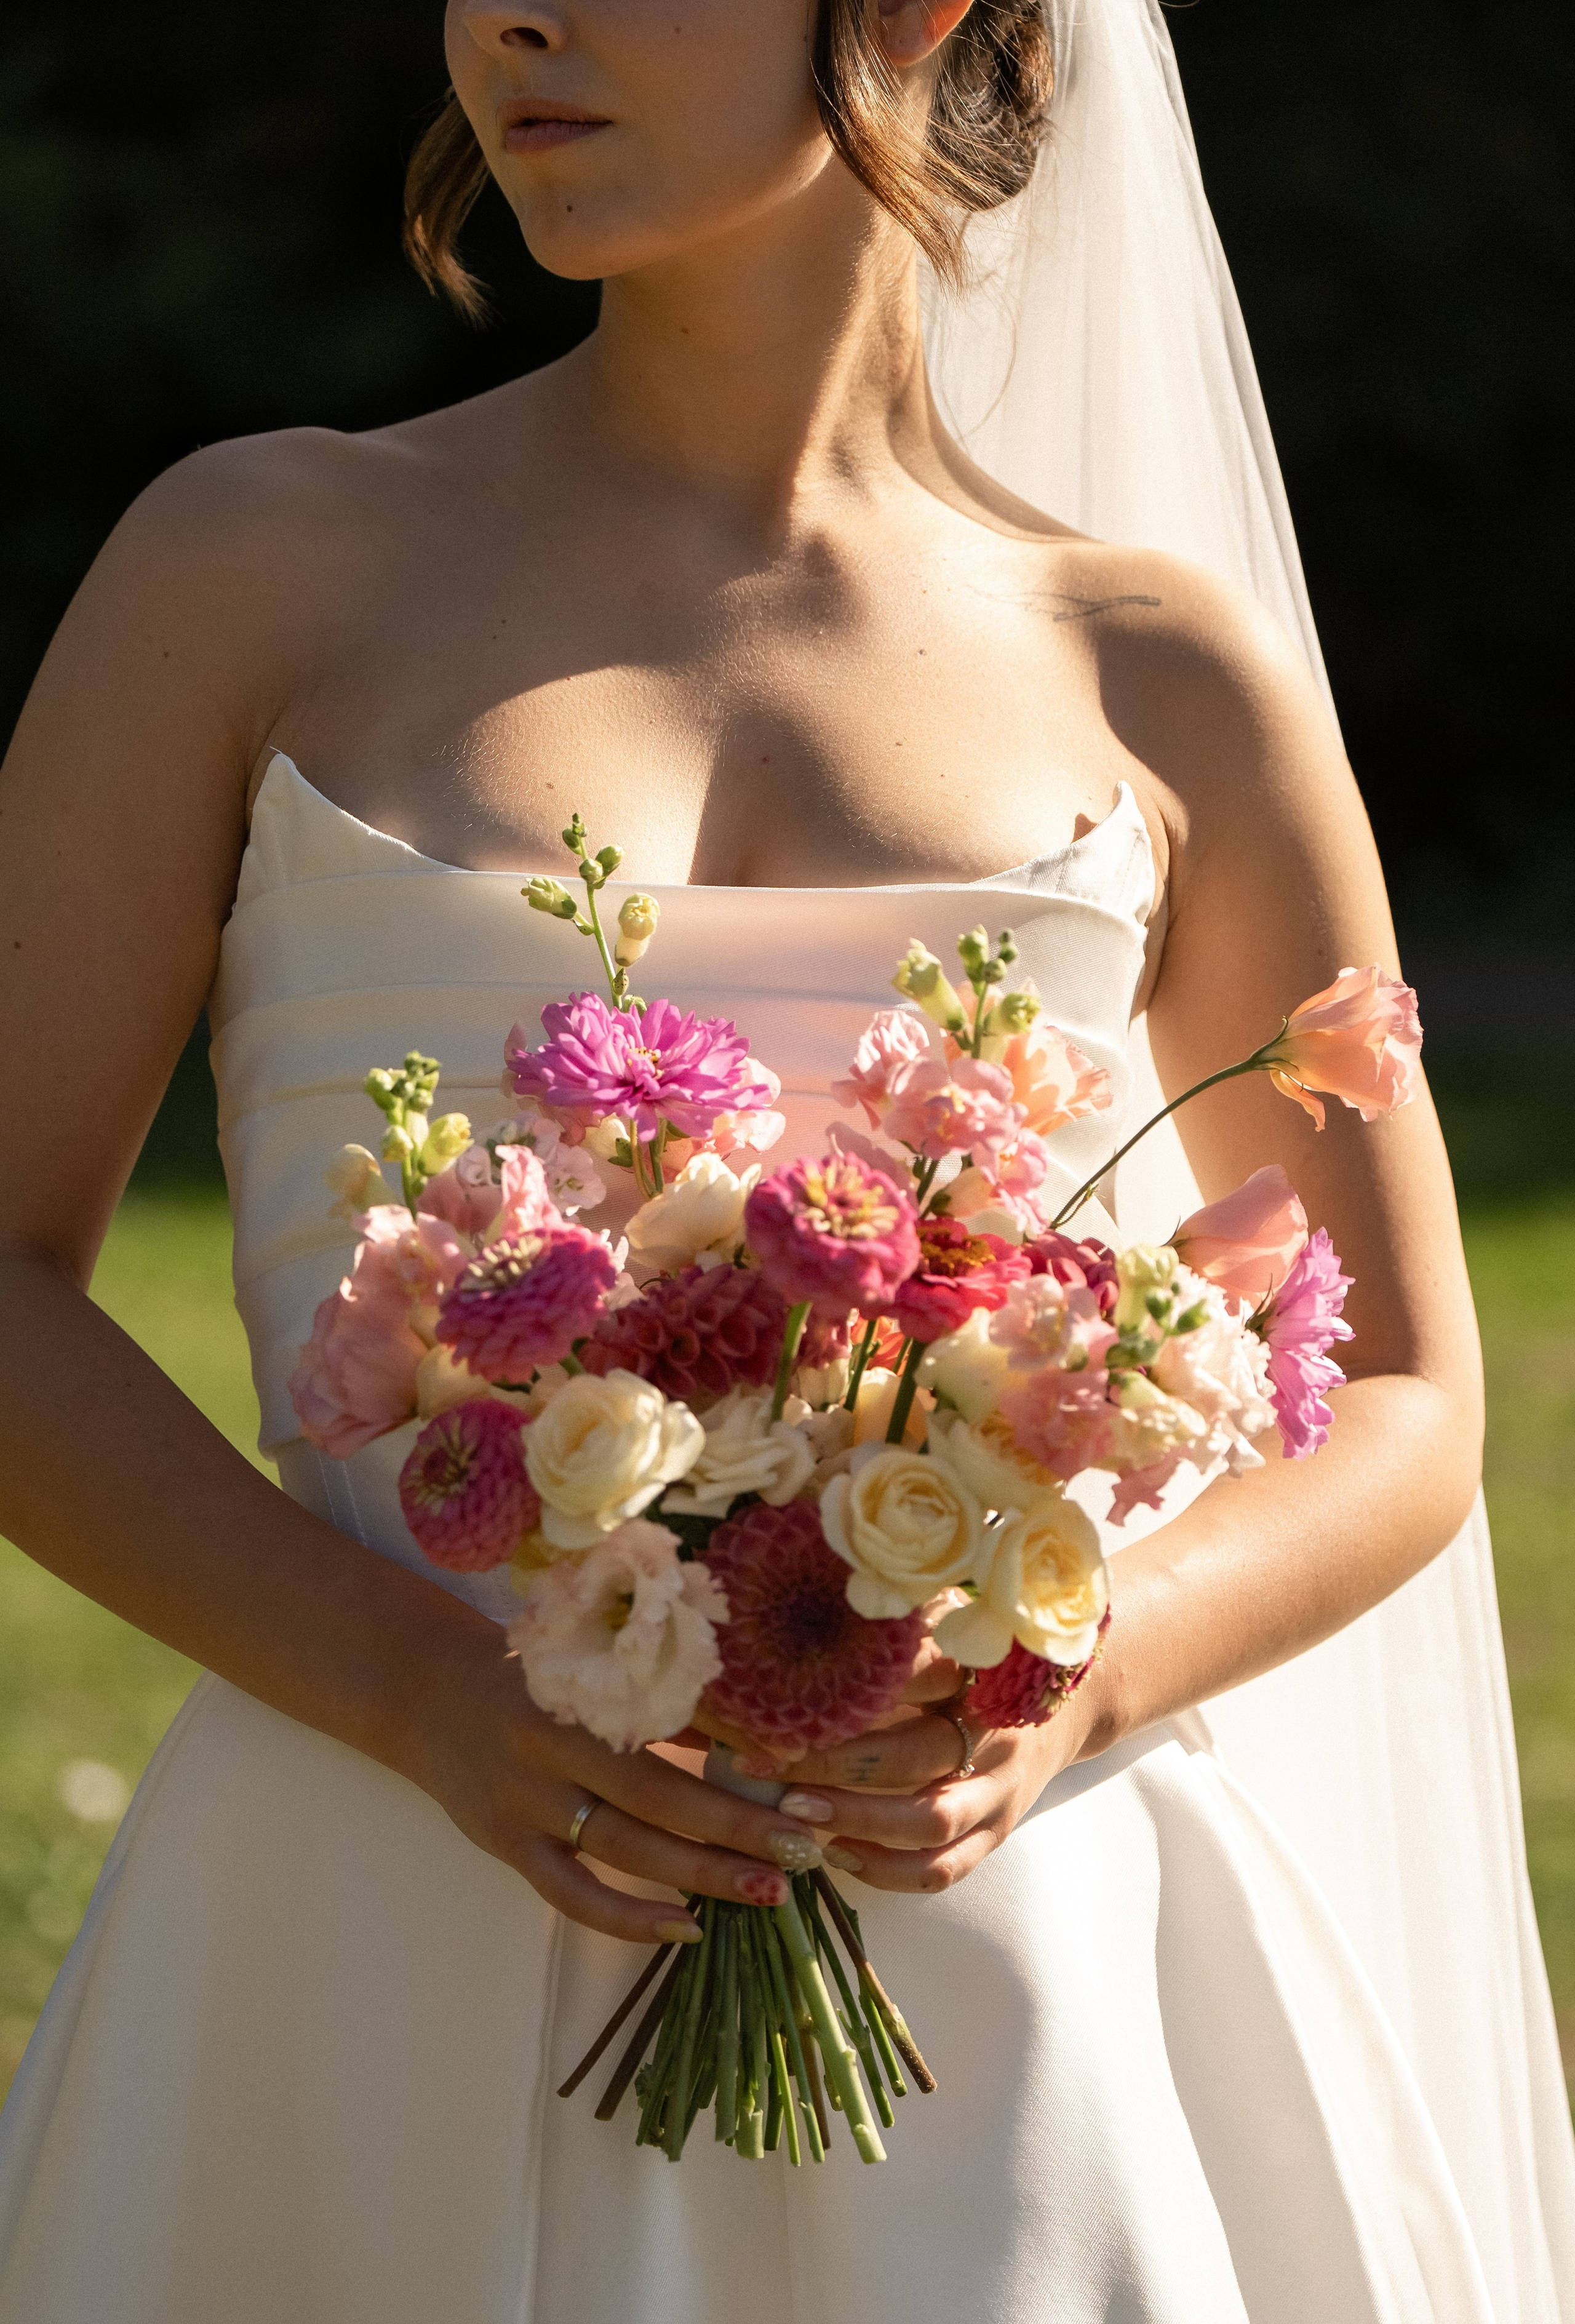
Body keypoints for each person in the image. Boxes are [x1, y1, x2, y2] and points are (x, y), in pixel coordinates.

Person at [0, 3, 1569, 2318]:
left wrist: (1070, 1680)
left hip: (1003, 1978)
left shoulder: (1157, 669)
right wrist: (415, 1689)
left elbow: (1416, 1402)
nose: (508, 14)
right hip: (349, 1948)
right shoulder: (246, 566)